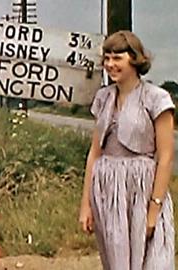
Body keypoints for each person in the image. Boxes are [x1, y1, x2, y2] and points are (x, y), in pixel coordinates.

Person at [79, 30, 175, 270]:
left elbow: (165, 158)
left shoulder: (156, 98)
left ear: (134, 59)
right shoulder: (103, 98)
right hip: (109, 193)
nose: (110, 65)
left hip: (143, 190)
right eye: (107, 58)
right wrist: (86, 205)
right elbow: (94, 153)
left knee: (154, 262)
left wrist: (153, 210)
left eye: (117, 58)